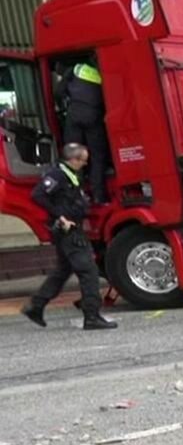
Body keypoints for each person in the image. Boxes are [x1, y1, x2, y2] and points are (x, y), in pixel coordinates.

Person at [20, 141, 116, 330]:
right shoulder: (58, 174)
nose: (85, 164)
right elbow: (38, 195)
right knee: (89, 272)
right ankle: (92, 316)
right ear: (73, 159)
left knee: (62, 271)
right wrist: (60, 215)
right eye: (83, 160)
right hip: (69, 231)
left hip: (70, 229)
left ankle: (36, 306)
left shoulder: (69, 174)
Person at [55, 58, 108, 199]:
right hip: (94, 116)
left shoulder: (75, 69)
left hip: (74, 115)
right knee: (97, 156)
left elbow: (59, 92)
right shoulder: (101, 72)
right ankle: (99, 195)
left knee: (73, 156)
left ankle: (78, 194)